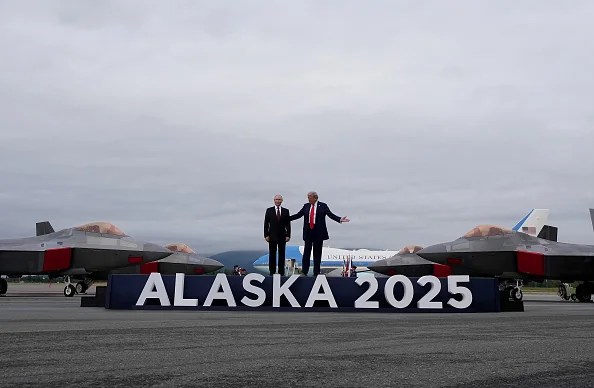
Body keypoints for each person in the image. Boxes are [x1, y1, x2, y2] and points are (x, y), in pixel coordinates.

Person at [289, 191, 349, 276]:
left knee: (317, 253)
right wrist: (287, 219)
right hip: (308, 232)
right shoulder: (306, 206)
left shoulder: (323, 206)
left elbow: (330, 215)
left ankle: (316, 272)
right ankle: (304, 271)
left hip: (318, 232)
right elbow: (298, 215)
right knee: (306, 252)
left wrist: (339, 219)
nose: (308, 199)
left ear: (315, 198)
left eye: (309, 197)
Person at [264, 194, 291, 276]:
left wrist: (288, 235)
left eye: (279, 199)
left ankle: (281, 272)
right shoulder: (269, 210)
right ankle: (272, 272)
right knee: (272, 254)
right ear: (274, 200)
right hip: (271, 236)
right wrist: (266, 235)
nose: (278, 201)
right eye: (276, 199)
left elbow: (288, 224)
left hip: (282, 236)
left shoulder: (286, 211)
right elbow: (266, 224)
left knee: (282, 254)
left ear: (282, 201)